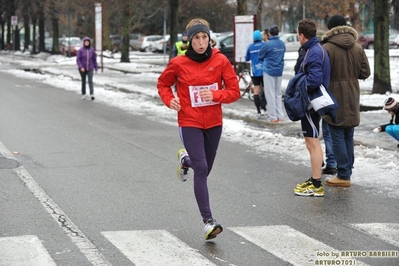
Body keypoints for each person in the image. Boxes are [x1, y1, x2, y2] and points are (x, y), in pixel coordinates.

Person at [157, 18, 240, 240]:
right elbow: (163, 84)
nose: (201, 42)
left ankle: (186, 161)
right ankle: (208, 221)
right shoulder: (178, 63)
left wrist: (215, 95)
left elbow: (234, 91)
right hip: (189, 121)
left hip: (214, 123)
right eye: (196, 38)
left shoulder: (220, 60)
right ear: (189, 40)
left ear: (209, 38)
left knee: (204, 168)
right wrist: (169, 99)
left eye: (204, 37)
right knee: (201, 169)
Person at [322, 15, 371, 187]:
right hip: (352, 94)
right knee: (348, 135)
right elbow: (365, 73)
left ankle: (343, 175)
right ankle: (347, 170)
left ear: (330, 28)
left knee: (336, 134)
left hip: (333, 95)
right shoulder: (358, 47)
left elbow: (321, 74)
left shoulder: (326, 47)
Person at [293, 18, 331, 197]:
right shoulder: (314, 49)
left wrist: (300, 87)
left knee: (312, 143)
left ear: (302, 35)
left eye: (297, 33)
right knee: (312, 142)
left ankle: (316, 184)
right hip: (312, 102)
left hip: (311, 103)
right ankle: (315, 179)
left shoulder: (314, 52)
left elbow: (314, 79)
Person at [258, 25, 286, 122]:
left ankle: (273, 117)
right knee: (278, 94)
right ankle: (280, 116)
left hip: (269, 71)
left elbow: (260, 56)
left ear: (269, 33)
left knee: (270, 94)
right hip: (279, 70)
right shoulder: (282, 43)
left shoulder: (267, 44)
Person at [245, 30, 266, 118]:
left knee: (256, 91)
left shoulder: (250, 47)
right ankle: (264, 108)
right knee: (265, 90)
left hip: (254, 71)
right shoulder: (264, 45)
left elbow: (247, 58)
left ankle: (258, 110)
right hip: (264, 70)